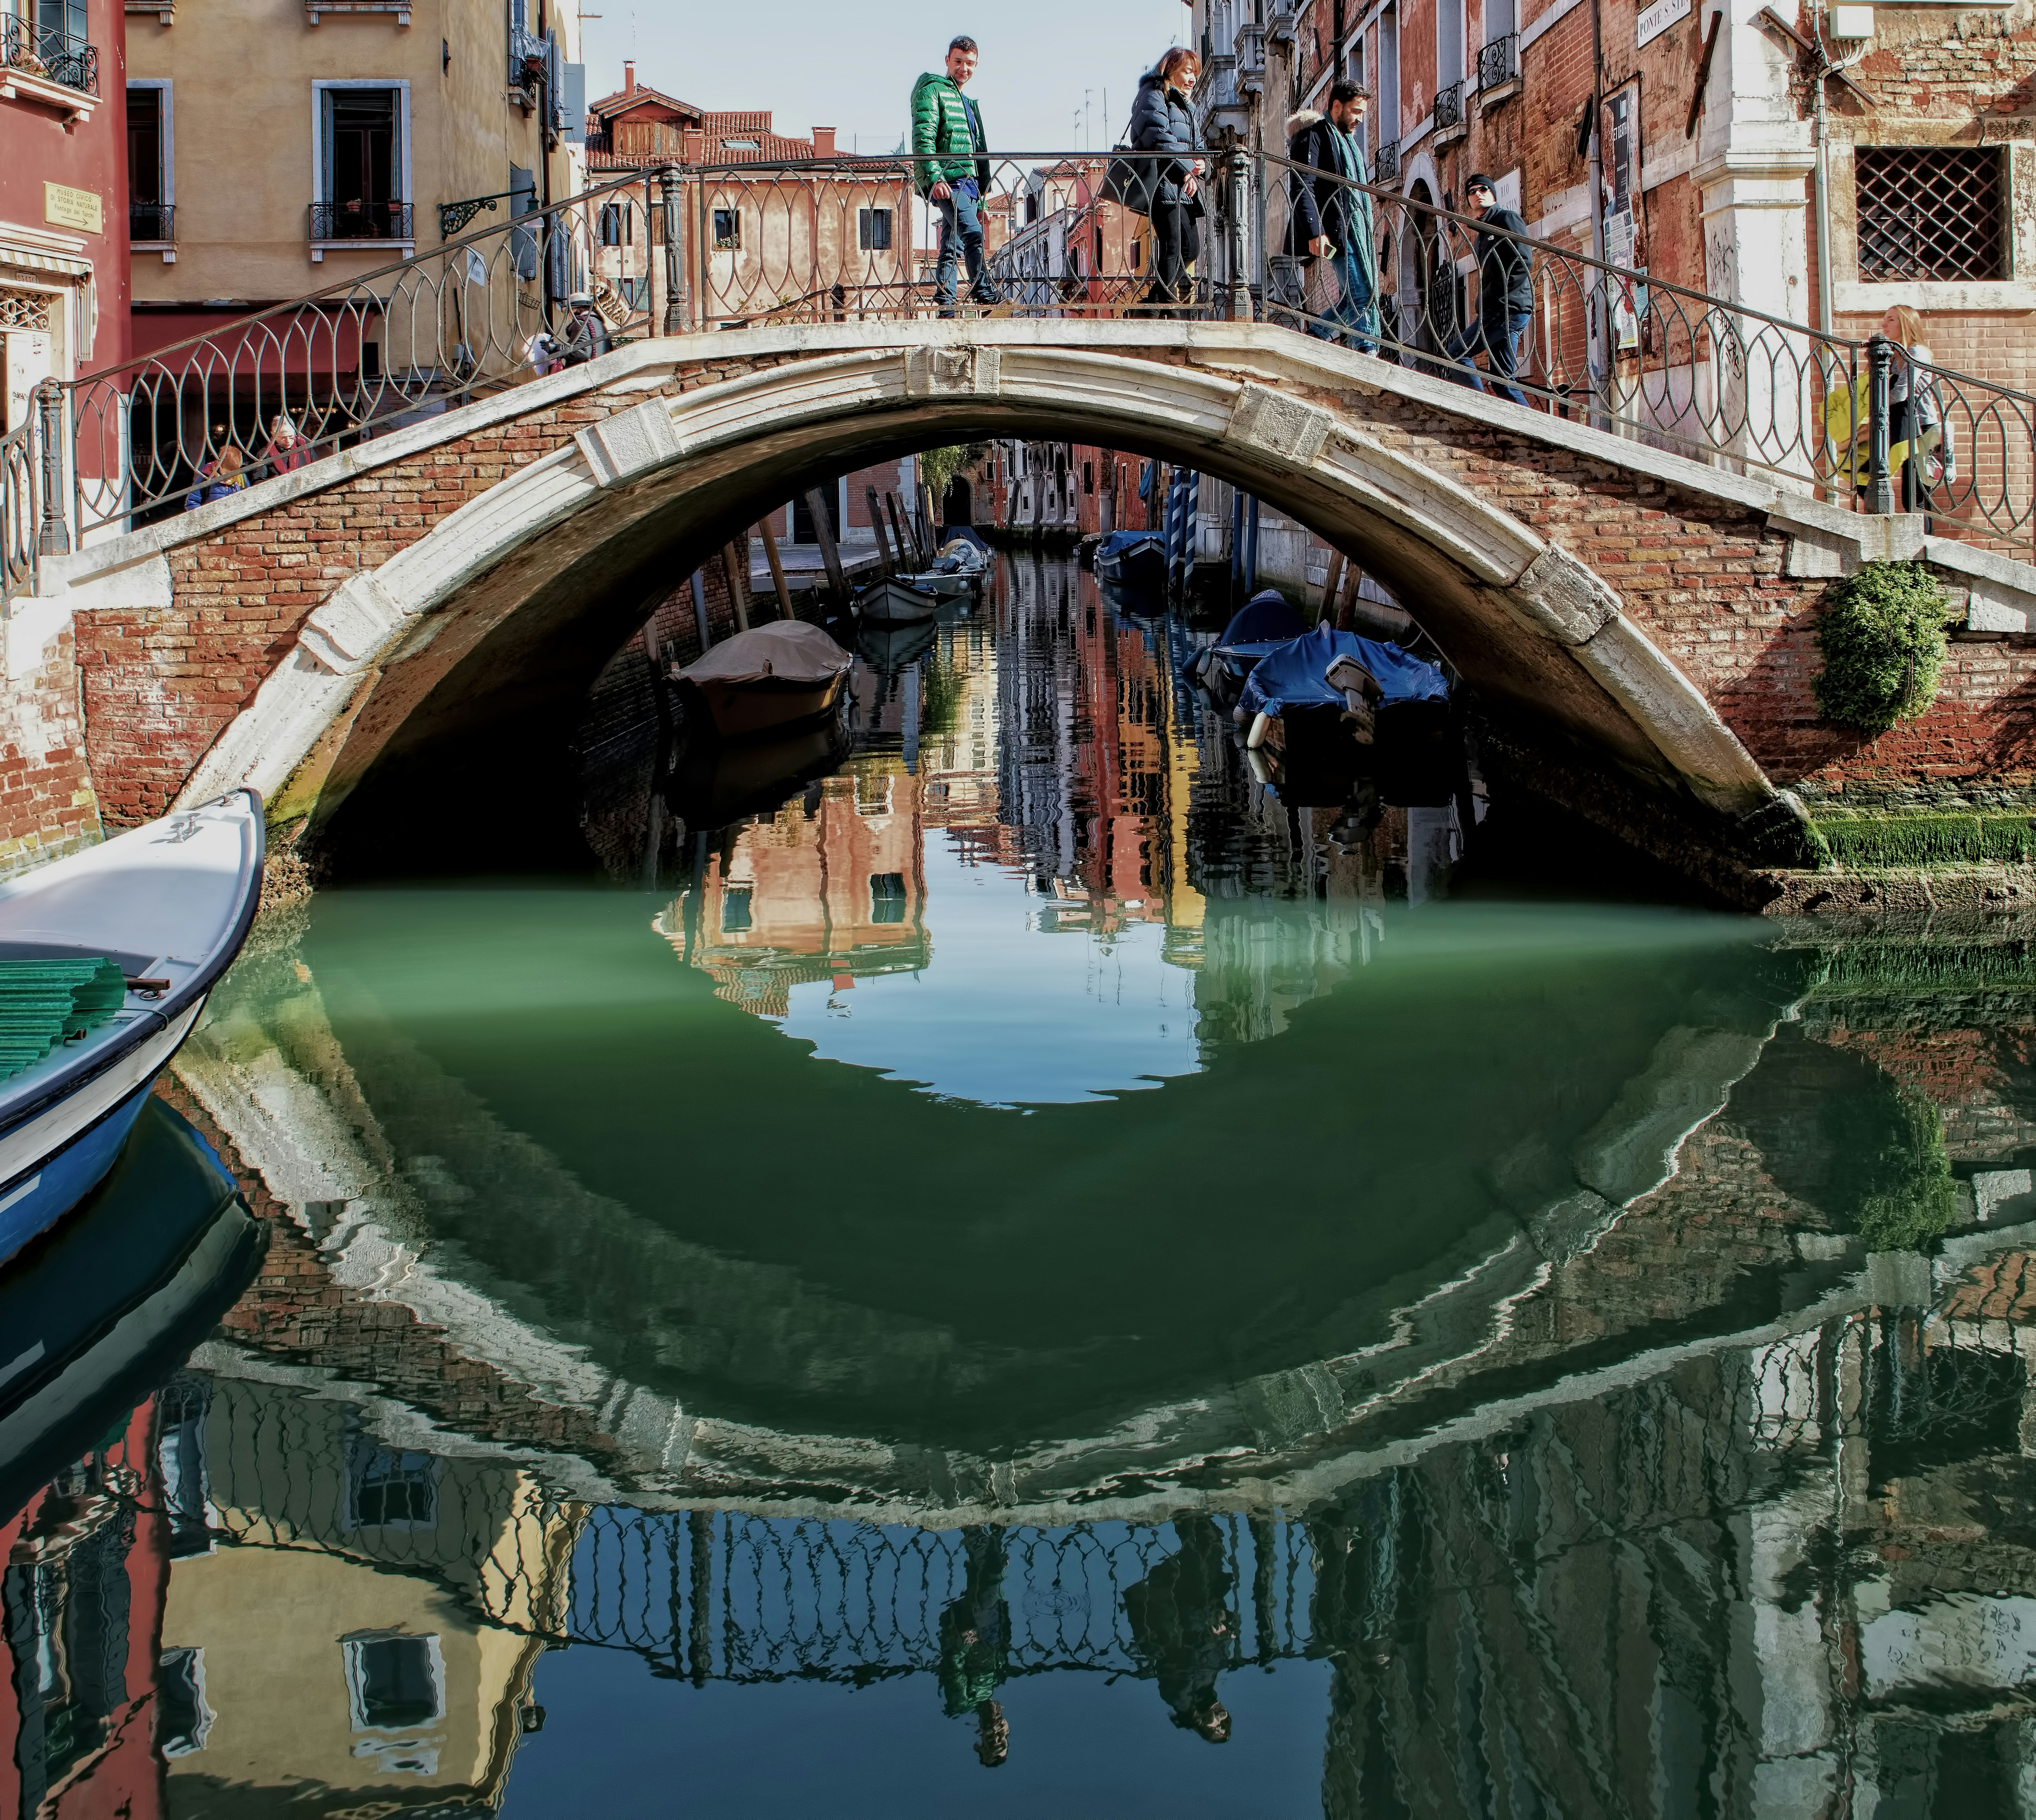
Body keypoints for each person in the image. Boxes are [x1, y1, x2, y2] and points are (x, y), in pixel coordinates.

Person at [1122, 1515, 1235, 1743]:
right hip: (1206, 1604)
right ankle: (1195, 1511)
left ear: (1200, 1724)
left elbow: (1183, 1662)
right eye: (1225, 1722)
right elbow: (1220, 1642)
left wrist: (1212, 1638)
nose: (1220, 1718)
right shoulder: (1211, 1683)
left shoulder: (1180, 1699)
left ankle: (1186, 1512)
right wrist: (1225, 1629)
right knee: (1213, 1547)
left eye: (1215, 1727)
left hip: (1181, 1610)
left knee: (1196, 1556)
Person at [1286, 82, 1378, 352]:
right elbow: (1303, 184)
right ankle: (1366, 352)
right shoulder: (1312, 135)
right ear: (1336, 106)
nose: (1359, 119)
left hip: (1354, 227)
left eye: (1362, 112)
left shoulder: (1347, 142)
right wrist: (1315, 231)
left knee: (1356, 296)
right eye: (1355, 111)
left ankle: (1315, 336)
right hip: (1335, 229)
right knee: (1361, 294)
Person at [911, 36, 997, 316]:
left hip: (969, 183)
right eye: (958, 61)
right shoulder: (932, 90)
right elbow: (923, 137)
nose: (964, 68)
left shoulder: (968, 102)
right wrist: (935, 177)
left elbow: (975, 151)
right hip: (950, 181)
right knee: (973, 235)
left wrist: (982, 201)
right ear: (947, 61)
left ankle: (946, 305)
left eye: (970, 63)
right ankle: (985, 295)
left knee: (951, 244)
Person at [1447, 174, 1533, 407]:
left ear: (1493, 193)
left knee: (1456, 353)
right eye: (1472, 192)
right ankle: (1535, 432)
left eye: (1483, 189)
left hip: (1506, 308)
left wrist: (1496, 297)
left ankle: (1480, 409)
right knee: (1502, 382)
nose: (1478, 194)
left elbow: (1523, 261)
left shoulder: (1507, 219)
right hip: (1503, 310)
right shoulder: (1482, 233)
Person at [1129, 48, 1204, 316]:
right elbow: (1157, 136)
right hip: (1162, 182)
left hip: (1182, 185)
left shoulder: (1185, 104)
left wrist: (1200, 163)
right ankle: (1164, 308)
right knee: (1175, 246)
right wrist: (1186, 169)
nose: (1192, 78)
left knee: (1190, 248)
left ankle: (1153, 304)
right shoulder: (1153, 94)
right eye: (1187, 71)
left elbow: (1195, 143)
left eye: (1195, 73)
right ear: (1170, 68)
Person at [936, 1529, 1011, 1768]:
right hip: (992, 1623)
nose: (997, 1733)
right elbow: (1003, 1644)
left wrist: (964, 1643)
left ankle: (984, 1531)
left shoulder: (963, 1702)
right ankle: (984, 1532)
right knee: (983, 1574)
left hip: (971, 1629)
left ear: (980, 1740)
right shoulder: (997, 1684)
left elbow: (952, 1669)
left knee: (990, 1574)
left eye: (992, 1741)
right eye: (1003, 1738)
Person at [1878, 303, 1957, 516]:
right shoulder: (1895, 355)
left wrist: (1876, 398)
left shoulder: (1916, 352)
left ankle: (1924, 544)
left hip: (1921, 427)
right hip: (1904, 424)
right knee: (1910, 492)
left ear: (1906, 324)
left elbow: (1901, 393)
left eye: (1891, 319)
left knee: (1916, 493)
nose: (1884, 323)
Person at [183, 443, 246, 511]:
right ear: (220, 466)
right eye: (228, 473)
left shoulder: (241, 478)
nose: (232, 476)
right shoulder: (207, 477)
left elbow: (247, 497)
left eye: (235, 472)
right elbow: (192, 502)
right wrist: (205, 516)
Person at [559, 291, 609, 367]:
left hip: (585, 373)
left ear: (576, 309)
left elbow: (582, 354)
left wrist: (558, 348)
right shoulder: (599, 323)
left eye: (570, 311)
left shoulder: (581, 323)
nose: (569, 315)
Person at [262, 413, 310, 479]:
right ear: (273, 435)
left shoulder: (305, 445)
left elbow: (316, 467)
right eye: (283, 437)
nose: (288, 441)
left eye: (291, 436)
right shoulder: (264, 454)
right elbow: (258, 481)